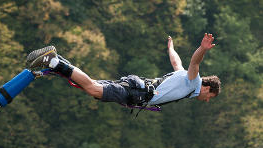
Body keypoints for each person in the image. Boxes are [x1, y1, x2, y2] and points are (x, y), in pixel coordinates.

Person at [27, 33, 221, 108]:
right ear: (207, 88)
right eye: (210, 97)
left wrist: (171, 49)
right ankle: (53, 62)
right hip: (137, 92)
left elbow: (176, 63)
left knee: (90, 87)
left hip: (137, 88)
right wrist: (202, 49)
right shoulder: (194, 82)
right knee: (93, 88)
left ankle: (57, 60)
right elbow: (194, 63)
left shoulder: (185, 80)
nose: (207, 101)